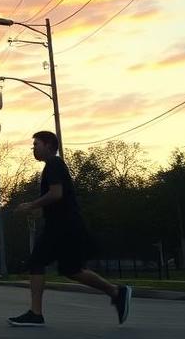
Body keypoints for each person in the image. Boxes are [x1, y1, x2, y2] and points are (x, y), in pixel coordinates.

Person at [8, 130, 131, 328]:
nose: (34, 149)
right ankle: (116, 292)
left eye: (36, 144)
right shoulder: (51, 167)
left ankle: (35, 314)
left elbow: (56, 194)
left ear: (49, 145)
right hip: (66, 225)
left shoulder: (54, 164)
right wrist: (41, 210)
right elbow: (58, 197)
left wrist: (32, 205)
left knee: (37, 262)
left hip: (62, 226)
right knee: (71, 269)